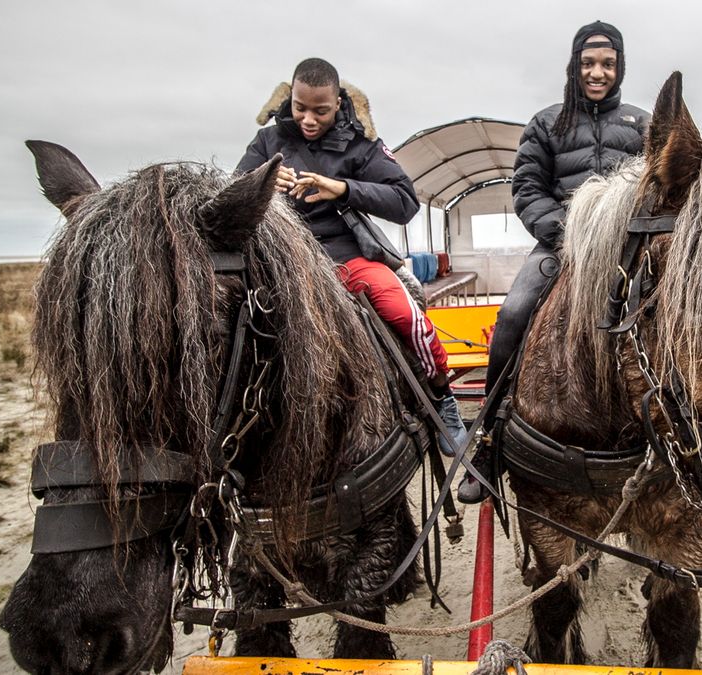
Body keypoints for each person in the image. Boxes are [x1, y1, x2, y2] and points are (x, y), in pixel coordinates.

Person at [458, 21, 650, 503]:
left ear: (620, 65)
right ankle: (489, 440)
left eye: (607, 63)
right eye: (588, 63)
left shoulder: (643, 124)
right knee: (513, 314)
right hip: (560, 249)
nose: (597, 73)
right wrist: (569, 236)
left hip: (631, 251)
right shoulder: (547, 123)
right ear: (574, 66)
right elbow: (527, 189)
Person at [236, 57, 466, 454]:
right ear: (289, 98)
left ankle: (441, 395)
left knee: (403, 314)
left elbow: (404, 201)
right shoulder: (267, 143)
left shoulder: (362, 146)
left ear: (338, 102)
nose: (308, 119)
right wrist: (262, 183)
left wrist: (342, 188)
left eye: (320, 111)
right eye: (300, 108)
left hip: (345, 257)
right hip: (277, 261)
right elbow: (232, 194)